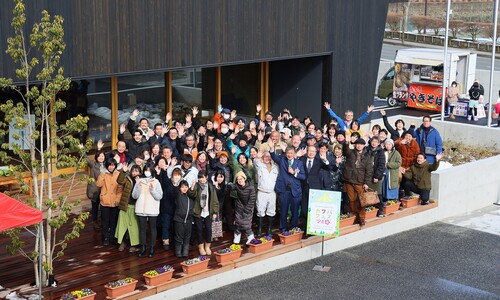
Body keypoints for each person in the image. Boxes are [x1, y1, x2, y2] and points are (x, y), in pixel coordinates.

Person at [270, 142, 306, 232]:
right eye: (288, 153)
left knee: (295, 211)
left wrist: (294, 173)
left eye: (291, 153)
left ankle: (293, 227)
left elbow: (303, 176)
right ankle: (283, 228)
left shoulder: (299, 163)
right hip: (284, 190)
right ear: (285, 154)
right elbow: (274, 156)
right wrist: (271, 148)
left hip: (295, 191)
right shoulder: (282, 160)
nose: (289, 155)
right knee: (283, 211)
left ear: (294, 154)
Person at [132, 163, 163, 258]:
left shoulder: (156, 182)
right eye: (146, 170)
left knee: (153, 229)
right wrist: (137, 186)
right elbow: (134, 196)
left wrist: (153, 190)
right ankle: (143, 247)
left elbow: (159, 196)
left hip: (152, 209)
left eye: (149, 170)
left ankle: (152, 248)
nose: (147, 172)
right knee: (142, 229)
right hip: (141, 208)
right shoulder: (140, 181)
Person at [342, 137, 373, 227]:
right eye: (357, 144)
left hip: (360, 181)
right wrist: (346, 143)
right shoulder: (350, 152)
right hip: (349, 180)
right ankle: (354, 216)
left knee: (361, 201)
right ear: (355, 144)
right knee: (351, 200)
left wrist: (366, 183)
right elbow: (345, 151)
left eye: (361, 144)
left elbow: (369, 171)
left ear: (364, 146)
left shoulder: (367, 156)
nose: (359, 145)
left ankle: (362, 218)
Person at [95, 158, 123, 245]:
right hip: (105, 201)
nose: (111, 167)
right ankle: (105, 237)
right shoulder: (103, 174)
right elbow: (98, 184)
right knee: (105, 221)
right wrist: (102, 174)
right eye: (110, 165)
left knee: (113, 221)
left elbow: (120, 189)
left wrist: (118, 200)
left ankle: (112, 237)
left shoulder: (118, 174)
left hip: (115, 202)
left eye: (113, 165)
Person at [115, 163, 141, 253]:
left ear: (140, 173)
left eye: (137, 171)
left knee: (134, 227)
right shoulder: (127, 179)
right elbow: (119, 181)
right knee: (122, 225)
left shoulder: (142, 181)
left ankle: (134, 245)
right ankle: (122, 242)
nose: (134, 173)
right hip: (125, 206)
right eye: (133, 171)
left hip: (135, 207)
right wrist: (123, 171)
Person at [192, 170, 219, 255]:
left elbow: (215, 200)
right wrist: (192, 187)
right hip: (198, 211)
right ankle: (200, 246)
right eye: (200, 177)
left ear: (206, 177)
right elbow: (191, 195)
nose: (201, 179)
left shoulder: (210, 186)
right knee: (199, 230)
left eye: (203, 177)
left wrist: (214, 212)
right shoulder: (196, 186)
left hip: (208, 211)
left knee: (208, 229)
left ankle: (207, 246)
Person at [253, 150, 279, 237]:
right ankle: (260, 229)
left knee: (271, 211)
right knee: (260, 211)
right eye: (265, 157)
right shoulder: (260, 166)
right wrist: (258, 156)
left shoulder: (276, 167)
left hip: (272, 192)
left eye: (269, 156)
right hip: (261, 192)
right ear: (263, 158)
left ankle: (269, 229)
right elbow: (255, 161)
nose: (267, 158)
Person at [231, 171, 257, 244]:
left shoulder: (251, 187)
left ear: (244, 179)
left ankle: (251, 238)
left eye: (241, 179)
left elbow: (252, 199)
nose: (240, 181)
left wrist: (247, 209)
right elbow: (231, 187)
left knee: (246, 224)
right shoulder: (237, 186)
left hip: (248, 208)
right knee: (237, 223)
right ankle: (237, 236)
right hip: (239, 207)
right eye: (238, 179)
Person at [173, 180, 195, 258]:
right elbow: (175, 191)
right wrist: (176, 182)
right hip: (179, 220)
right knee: (179, 237)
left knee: (187, 237)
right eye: (182, 187)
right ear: (180, 188)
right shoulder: (178, 195)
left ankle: (185, 252)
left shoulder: (190, 196)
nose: (184, 189)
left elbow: (194, 193)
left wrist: (192, 188)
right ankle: (178, 252)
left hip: (189, 220)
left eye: (186, 187)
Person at [86, 148, 106, 231]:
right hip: (95, 190)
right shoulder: (93, 164)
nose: (101, 157)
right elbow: (86, 159)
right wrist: (82, 150)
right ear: (96, 157)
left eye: (102, 156)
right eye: (99, 156)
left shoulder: (107, 165)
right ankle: (95, 221)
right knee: (95, 206)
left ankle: (102, 221)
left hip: (104, 190)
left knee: (103, 206)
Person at [366, 136, 386, 218]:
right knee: (367, 193)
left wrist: (377, 176)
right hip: (367, 175)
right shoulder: (366, 150)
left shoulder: (381, 152)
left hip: (376, 176)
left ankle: (380, 210)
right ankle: (369, 210)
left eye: (376, 142)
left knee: (378, 193)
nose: (374, 143)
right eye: (372, 141)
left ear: (378, 143)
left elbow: (381, 166)